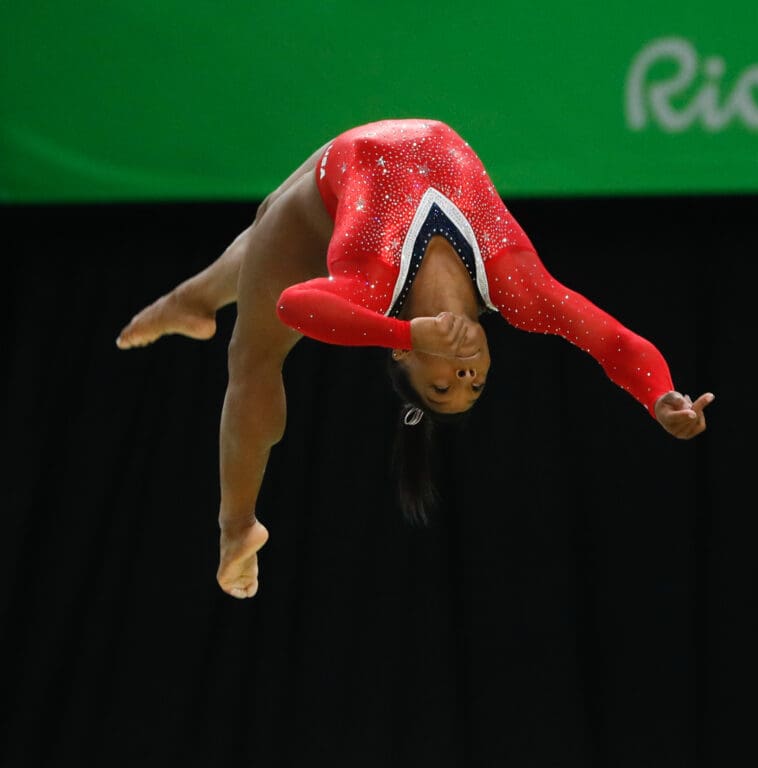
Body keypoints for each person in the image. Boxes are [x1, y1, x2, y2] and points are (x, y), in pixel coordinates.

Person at [116, 119, 714, 599]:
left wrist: (404, 329)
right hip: (357, 151)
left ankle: (236, 527)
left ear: (402, 362)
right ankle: (190, 300)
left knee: (251, 352)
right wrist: (660, 397)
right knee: (260, 223)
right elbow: (611, 341)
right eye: (474, 387)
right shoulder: (517, 290)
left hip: (322, 197)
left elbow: (294, 304)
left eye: (443, 389)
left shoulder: (375, 285)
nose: (464, 376)